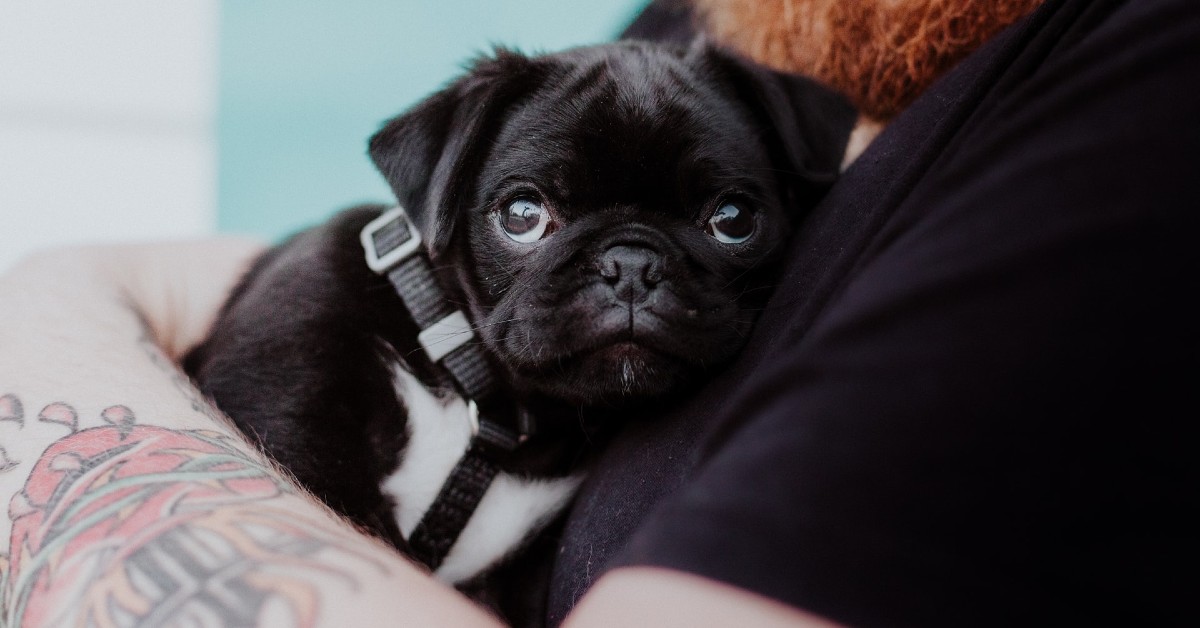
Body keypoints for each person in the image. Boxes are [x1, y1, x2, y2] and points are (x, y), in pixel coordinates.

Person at [1, 0, 1196, 626]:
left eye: (727, 224)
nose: (627, 274)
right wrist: (50, 293)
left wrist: (55, 326)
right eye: (532, 216)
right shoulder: (715, 29)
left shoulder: (1138, 93)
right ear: (440, 201)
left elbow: (127, 299)